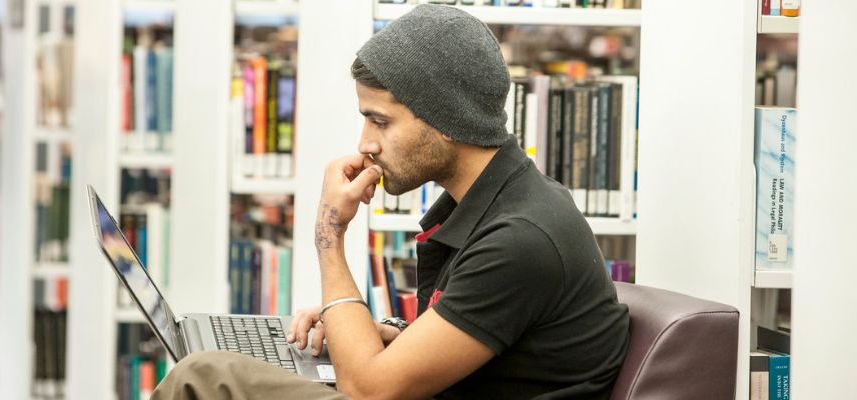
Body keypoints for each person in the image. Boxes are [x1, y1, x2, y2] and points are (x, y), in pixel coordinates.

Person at [153, 4, 629, 399]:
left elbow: (369, 392)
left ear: (447, 119)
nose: (365, 144)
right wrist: (383, 336)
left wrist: (330, 235)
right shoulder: (506, 204)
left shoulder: (522, 238)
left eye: (379, 121)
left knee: (205, 377)